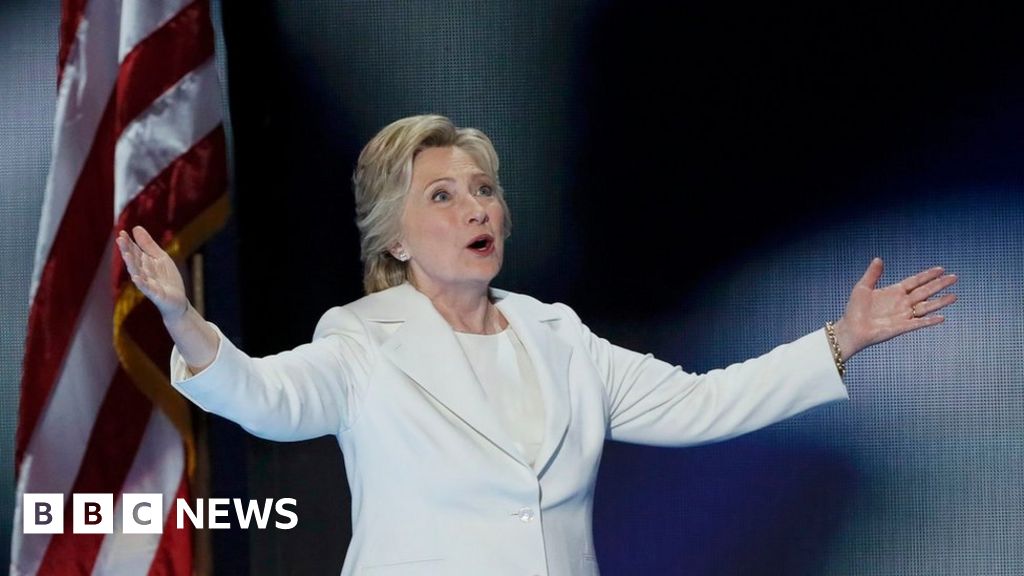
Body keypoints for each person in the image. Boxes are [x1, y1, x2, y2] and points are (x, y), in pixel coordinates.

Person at [116, 114, 958, 576]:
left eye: (484, 190)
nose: (476, 209)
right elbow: (263, 401)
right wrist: (183, 321)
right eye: (444, 195)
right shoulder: (360, 341)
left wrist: (839, 342)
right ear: (397, 240)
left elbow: (702, 404)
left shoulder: (562, 338)